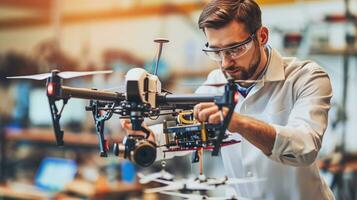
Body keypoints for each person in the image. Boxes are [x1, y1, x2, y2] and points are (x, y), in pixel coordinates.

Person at [121, 0, 335, 199]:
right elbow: (193, 129)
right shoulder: (215, 80)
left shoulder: (306, 77)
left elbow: (304, 148)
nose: (225, 63)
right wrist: (150, 137)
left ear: (261, 36)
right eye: (216, 52)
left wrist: (237, 122)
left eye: (235, 49)